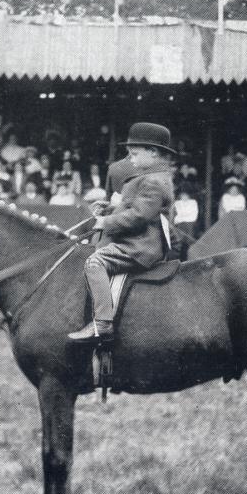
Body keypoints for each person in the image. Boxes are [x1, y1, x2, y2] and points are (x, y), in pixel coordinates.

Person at [68, 122, 175, 344]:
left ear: (153, 153)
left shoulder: (154, 181)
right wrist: (108, 209)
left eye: (134, 154)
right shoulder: (149, 177)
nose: (130, 159)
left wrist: (105, 222)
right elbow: (131, 208)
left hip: (141, 246)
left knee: (94, 262)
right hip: (136, 241)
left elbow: (139, 216)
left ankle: (103, 322)